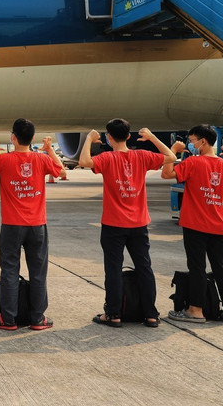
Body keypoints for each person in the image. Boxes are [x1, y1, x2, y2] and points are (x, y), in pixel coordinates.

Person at [78, 121, 176, 327]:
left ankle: (113, 314)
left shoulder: (107, 158)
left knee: (113, 268)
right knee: (144, 267)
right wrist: (152, 137)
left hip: (113, 223)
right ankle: (151, 314)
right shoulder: (142, 156)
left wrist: (88, 139)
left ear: (108, 137)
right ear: (129, 136)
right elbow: (171, 157)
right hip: (139, 223)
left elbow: (84, 161)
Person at [0, 118, 63, 331]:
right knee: (38, 272)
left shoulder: (4, 160)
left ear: (13, 137)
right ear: (32, 138)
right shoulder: (41, 159)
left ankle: (8, 319)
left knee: (9, 270)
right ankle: (37, 318)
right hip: (37, 224)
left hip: (11, 224)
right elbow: (61, 171)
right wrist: (49, 150)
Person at [162, 125, 223, 324]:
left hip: (195, 225)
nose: (190, 144)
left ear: (202, 141)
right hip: (218, 225)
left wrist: (173, 151)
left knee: (197, 267)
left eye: (192, 140)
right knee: (222, 268)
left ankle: (196, 310)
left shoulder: (193, 162)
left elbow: (166, 174)